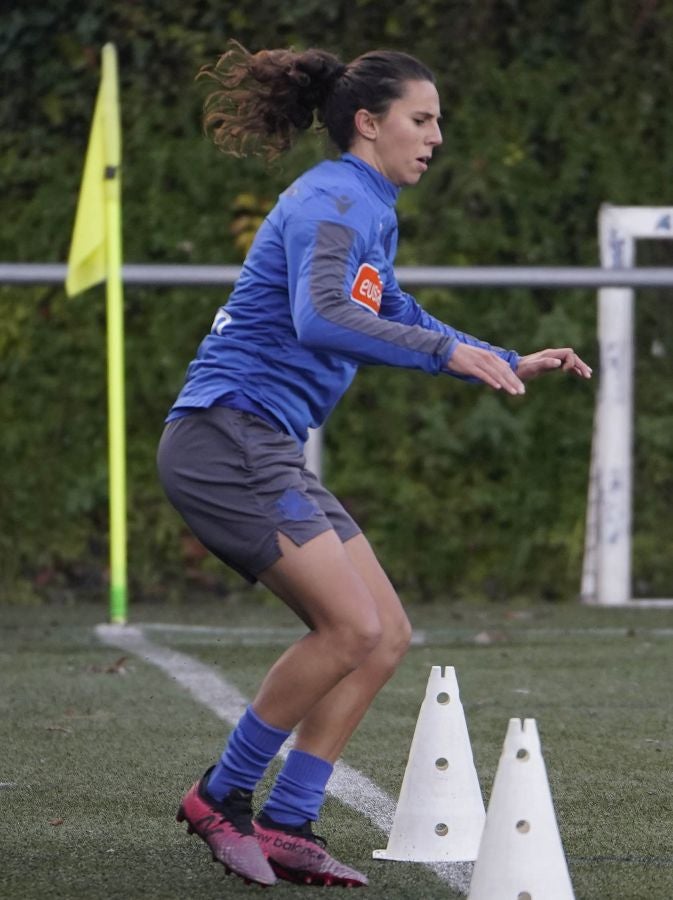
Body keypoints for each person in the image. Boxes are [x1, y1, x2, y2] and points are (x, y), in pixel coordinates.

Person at [157, 41, 592, 889]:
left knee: (385, 635)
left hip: (262, 442)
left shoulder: (366, 205)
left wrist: (500, 355)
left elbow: (387, 307)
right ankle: (222, 796)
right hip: (226, 435)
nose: (434, 137)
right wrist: (442, 354)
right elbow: (320, 315)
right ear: (369, 122)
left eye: (438, 123)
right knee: (348, 629)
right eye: (420, 120)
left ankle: (288, 821)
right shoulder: (330, 197)